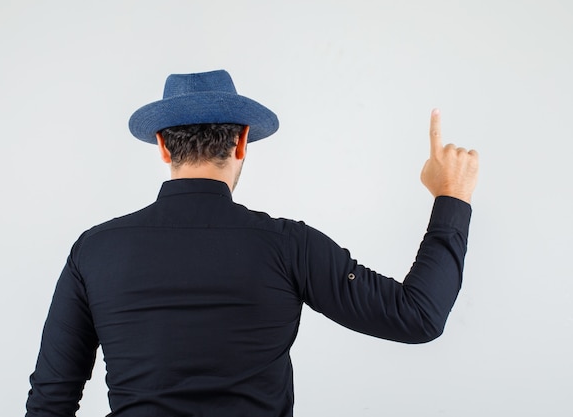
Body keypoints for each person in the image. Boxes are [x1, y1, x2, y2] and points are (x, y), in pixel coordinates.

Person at [25, 69, 479, 417]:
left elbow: (51, 400)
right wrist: (451, 198)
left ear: (162, 146)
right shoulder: (288, 247)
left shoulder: (94, 250)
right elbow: (417, 316)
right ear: (242, 142)